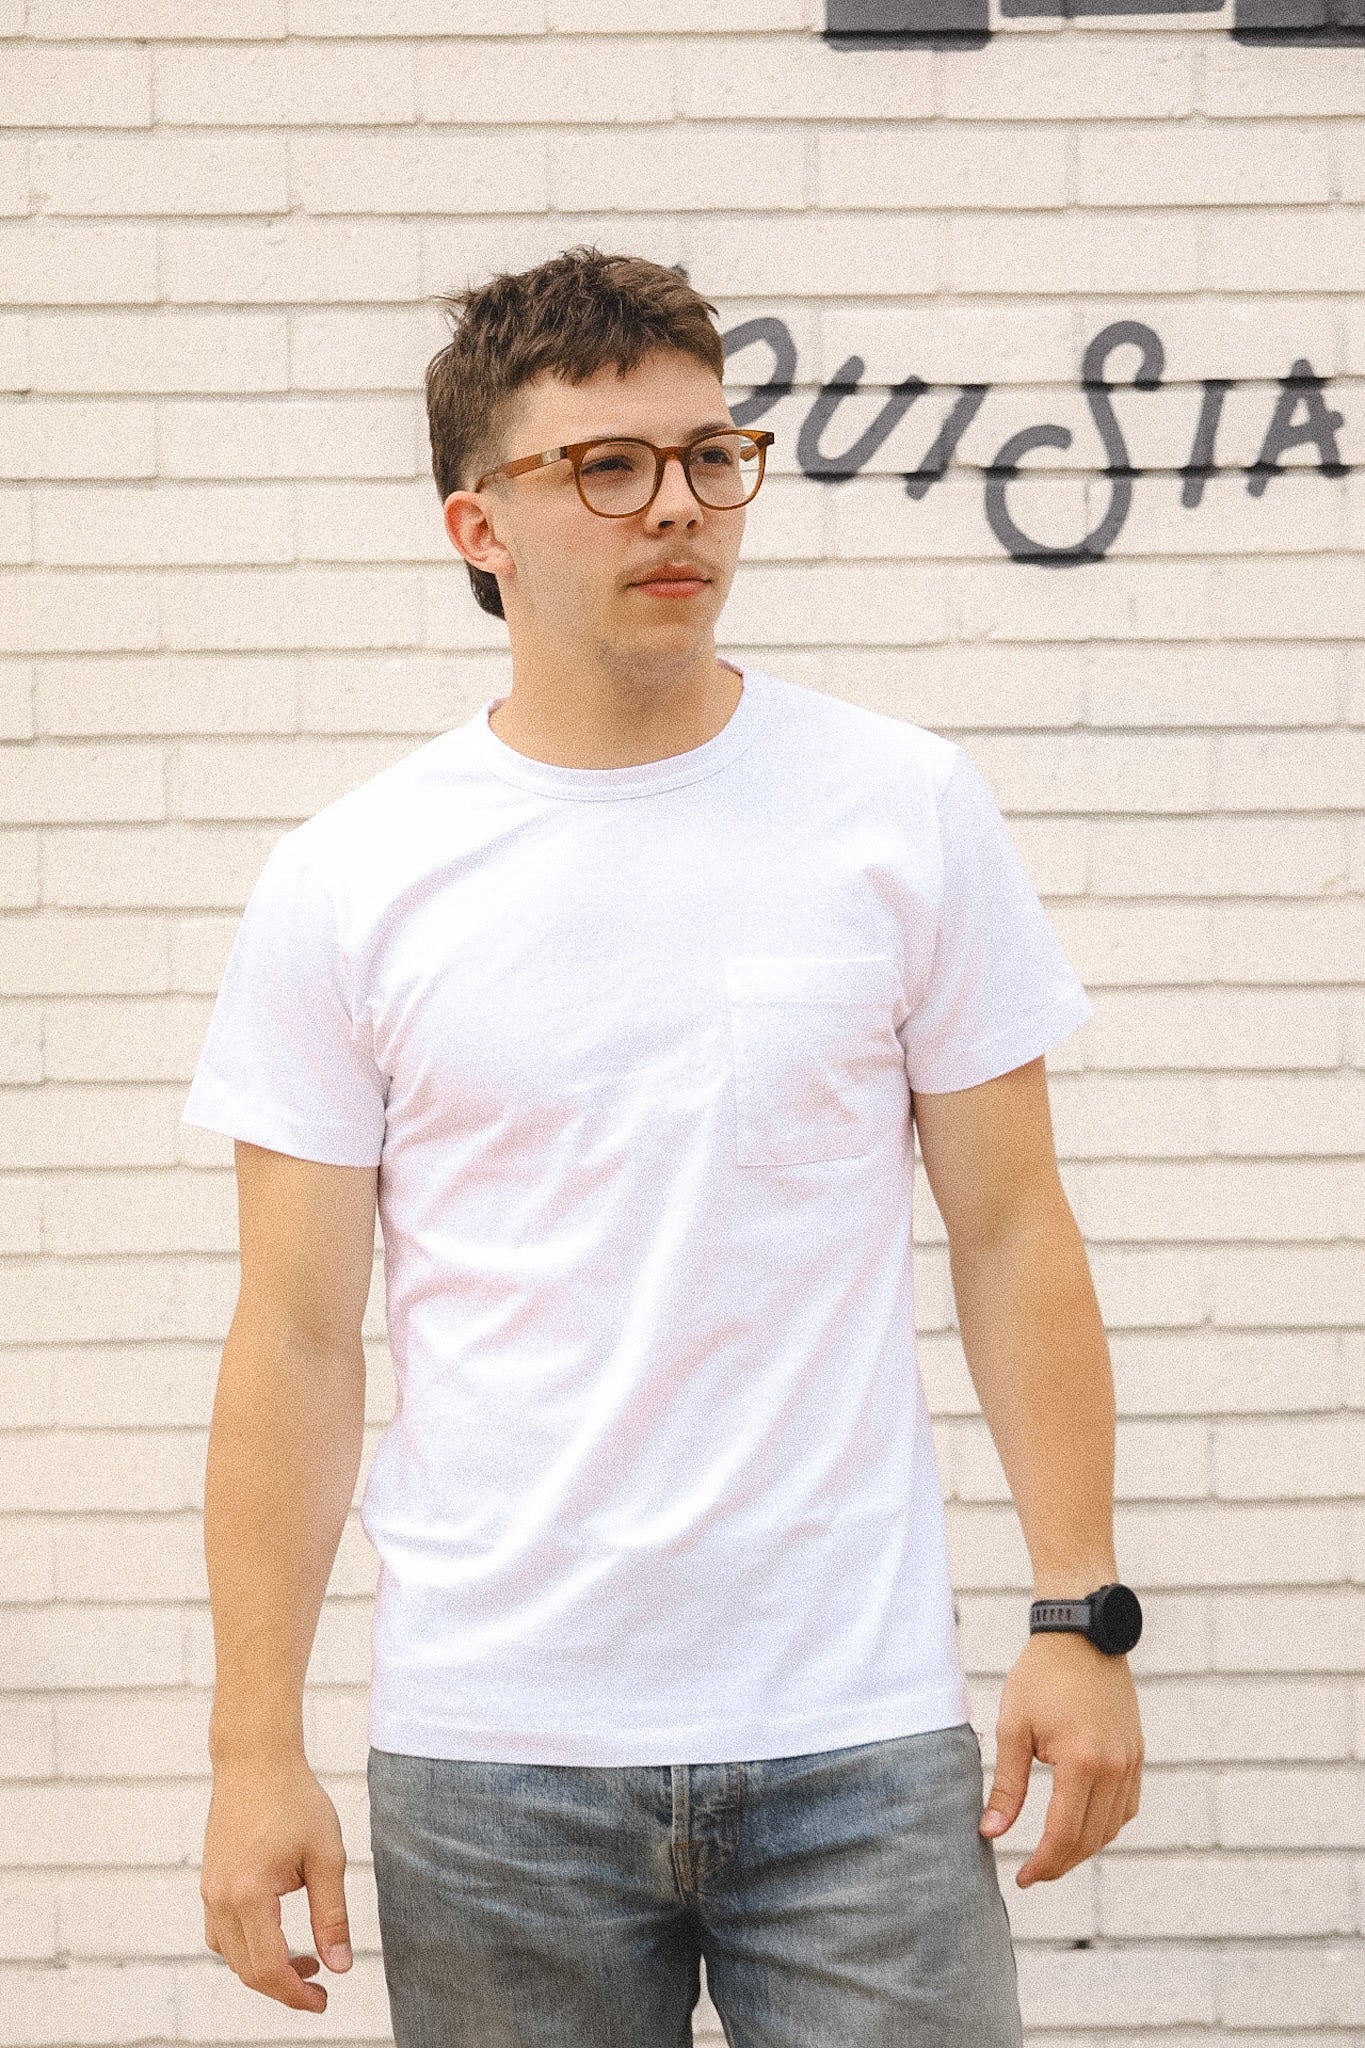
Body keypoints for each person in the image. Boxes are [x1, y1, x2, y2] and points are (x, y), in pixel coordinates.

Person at [186, 245, 1144, 2048]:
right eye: (605, 467)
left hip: (853, 1731)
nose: (677, 507)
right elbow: (295, 1339)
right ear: (479, 526)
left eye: (712, 454)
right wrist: (254, 1749)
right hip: (495, 1765)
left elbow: (1013, 1227)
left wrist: (1078, 1611)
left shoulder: (898, 806)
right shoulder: (351, 878)